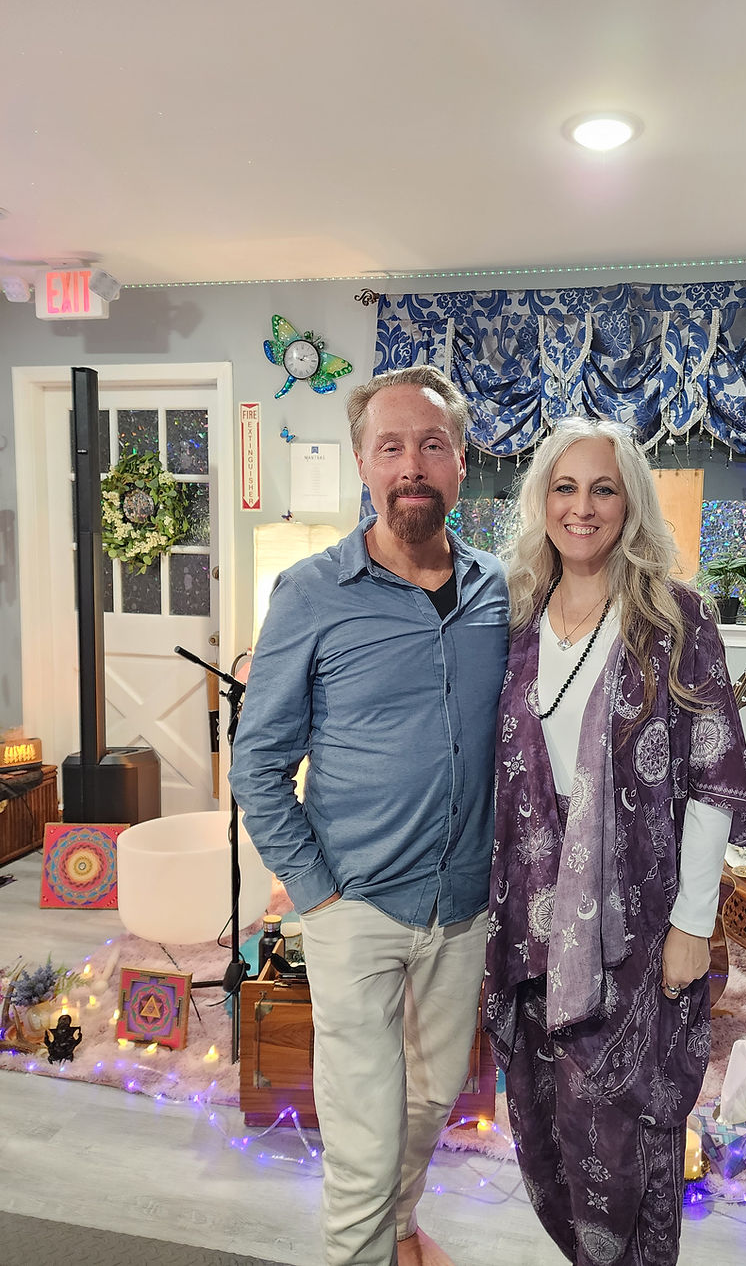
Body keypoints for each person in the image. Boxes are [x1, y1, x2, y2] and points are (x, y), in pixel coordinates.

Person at [229, 366, 509, 1266]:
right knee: (360, 1139)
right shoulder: (311, 592)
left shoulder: (501, 591)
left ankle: (399, 1227)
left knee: (430, 1105)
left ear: (462, 463)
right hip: (355, 908)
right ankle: (368, 1234)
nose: (412, 465)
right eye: (391, 446)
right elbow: (259, 761)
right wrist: (318, 896)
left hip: (462, 906)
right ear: (362, 462)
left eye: (432, 445)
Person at [483, 417, 746, 1266]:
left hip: (639, 927)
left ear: (630, 501)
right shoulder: (516, 617)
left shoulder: (676, 619)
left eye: (603, 487)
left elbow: (713, 780)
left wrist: (691, 922)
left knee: (627, 1135)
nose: (583, 506)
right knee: (546, 1130)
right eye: (565, 487)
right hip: (528, 924)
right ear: (541, 501)